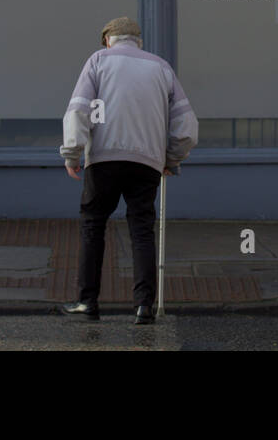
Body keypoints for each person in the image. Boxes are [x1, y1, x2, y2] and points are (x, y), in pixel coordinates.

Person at [59, 17, 198, 324]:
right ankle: (144, 306)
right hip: (146, 162)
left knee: (93, 225)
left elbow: (79, 109)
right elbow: (186, 126)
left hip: (104, 160)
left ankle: (87, 301)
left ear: (108, 39)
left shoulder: (98, 61)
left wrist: (72, 154)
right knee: (142, 230)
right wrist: (171, 158)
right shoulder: (161, 67)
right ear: (138, 41)